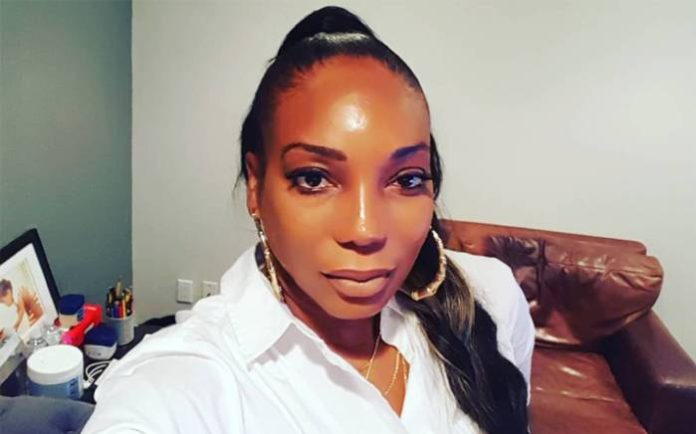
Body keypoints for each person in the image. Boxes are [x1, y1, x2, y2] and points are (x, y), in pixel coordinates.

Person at [83, 6, 534, 434]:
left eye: (406, 179)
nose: (365, 230)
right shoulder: (185, 378)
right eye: (314, 179)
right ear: (256, 186)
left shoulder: (492, 296)